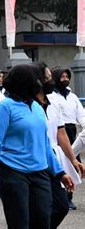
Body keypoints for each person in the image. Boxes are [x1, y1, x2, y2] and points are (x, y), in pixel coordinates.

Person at [0, 64, 75, 228]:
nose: (38, 84)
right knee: (20, 223)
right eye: (34, 80)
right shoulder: (4, 108)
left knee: (42, 221)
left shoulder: (37, 107)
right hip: (13, 173)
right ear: (24, 83)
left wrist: (60, 172)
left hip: (39, 173)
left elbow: (44, 143)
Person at [32, 63, 83, 228]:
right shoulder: (24, 103)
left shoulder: (54, 101)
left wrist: (73, 160)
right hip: (32, 160)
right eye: (47, 77)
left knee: (61, 206)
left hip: (53, 156)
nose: (51, 80)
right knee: (39, 206)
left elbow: (61, 134)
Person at [49, 68, 85, 210]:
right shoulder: (52, 96)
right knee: (59, 164)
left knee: (73, 164)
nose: (65, 79)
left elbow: (80, 114)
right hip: (58, 131)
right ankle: (56, 196)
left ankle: (69, 197)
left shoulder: (73, 96)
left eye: (67, 76)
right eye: (62, 77)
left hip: (71, 130)